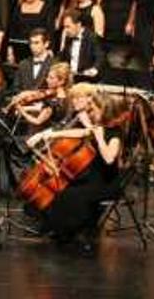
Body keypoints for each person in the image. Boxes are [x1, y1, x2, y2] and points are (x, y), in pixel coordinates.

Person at [25, 88, 123, 253]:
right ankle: (61, 230)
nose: (92, 113)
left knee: (71, 195)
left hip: (106, 183)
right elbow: (80, 132)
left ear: (106, 112)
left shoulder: (115, 134)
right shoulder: (99, 127)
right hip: (93, 177)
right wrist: (50, 135)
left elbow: (109, 159)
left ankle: (75, 232)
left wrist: (99, 139)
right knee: (63, 189)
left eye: (95, 110)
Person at [58, 9, 105, 82]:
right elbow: (63, 59)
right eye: (64, 27)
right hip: (70, 78)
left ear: (78, 24)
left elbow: (100, 57)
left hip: (87, 79)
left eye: (68, 27)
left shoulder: (92, 37)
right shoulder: (68, 37)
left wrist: (94, 69)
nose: (66, 30)